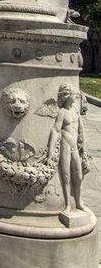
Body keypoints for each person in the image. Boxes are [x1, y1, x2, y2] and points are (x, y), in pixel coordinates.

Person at [49, 84, 87, 214]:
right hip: (65, 145)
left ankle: (78, 201)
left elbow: (80, 127)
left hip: (75, 146)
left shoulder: (75, 109)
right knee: (66, 175)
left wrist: (83, 143)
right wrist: (50, 153)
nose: (76, 95)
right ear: (67, 96)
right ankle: (67, 205)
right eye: (74, 94)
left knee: (79, 175)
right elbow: (55, 130)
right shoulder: (62, 113)